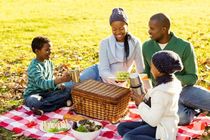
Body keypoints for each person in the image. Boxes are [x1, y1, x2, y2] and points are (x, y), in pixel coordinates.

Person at [142, 13, 210, 125]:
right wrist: (141, 85)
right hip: (163, 95)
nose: (149, 31)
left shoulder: (185, 46)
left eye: (152, 28)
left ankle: (192, 104)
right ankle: (195, 110)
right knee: (182, 118)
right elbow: (146, 72)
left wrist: (169, 79)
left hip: (185, 90)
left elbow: (192, 77)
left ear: (164, 29)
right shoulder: (146, 46)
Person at [118, 50, 183, 140]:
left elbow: (153, 121)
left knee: (128, 137)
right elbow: (157, 102)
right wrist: (145, 97)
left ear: (159, 71)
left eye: (152, 66)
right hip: (162, 123)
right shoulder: (172, 81)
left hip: (161, 128)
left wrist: (140, 104)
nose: (151, 69)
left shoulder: (161, 92)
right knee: (122, 127)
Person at [79, 8, 144, 86]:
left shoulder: (135, 43)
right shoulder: (105, 43)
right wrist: (114, 78)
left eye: (121, 28)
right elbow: (103, 70)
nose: (118, 32)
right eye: (114, 29)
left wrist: (148, 90)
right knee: (71, 85)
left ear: (127, 26)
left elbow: (140, 70)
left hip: (116, 84)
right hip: (96, 73)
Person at [24, 36, 72, 115]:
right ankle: (59, 104)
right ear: (37, 51)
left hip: (48, 93)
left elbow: (50, 79)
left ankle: (43, 108)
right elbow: (42, 84)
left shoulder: (49, 62)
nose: (49, 52)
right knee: (34, 101)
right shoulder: (34, 67)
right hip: (34, 95)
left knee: (68, 91)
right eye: (46, 50)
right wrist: (60, 80)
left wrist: (58, 86)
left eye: (50, 50)